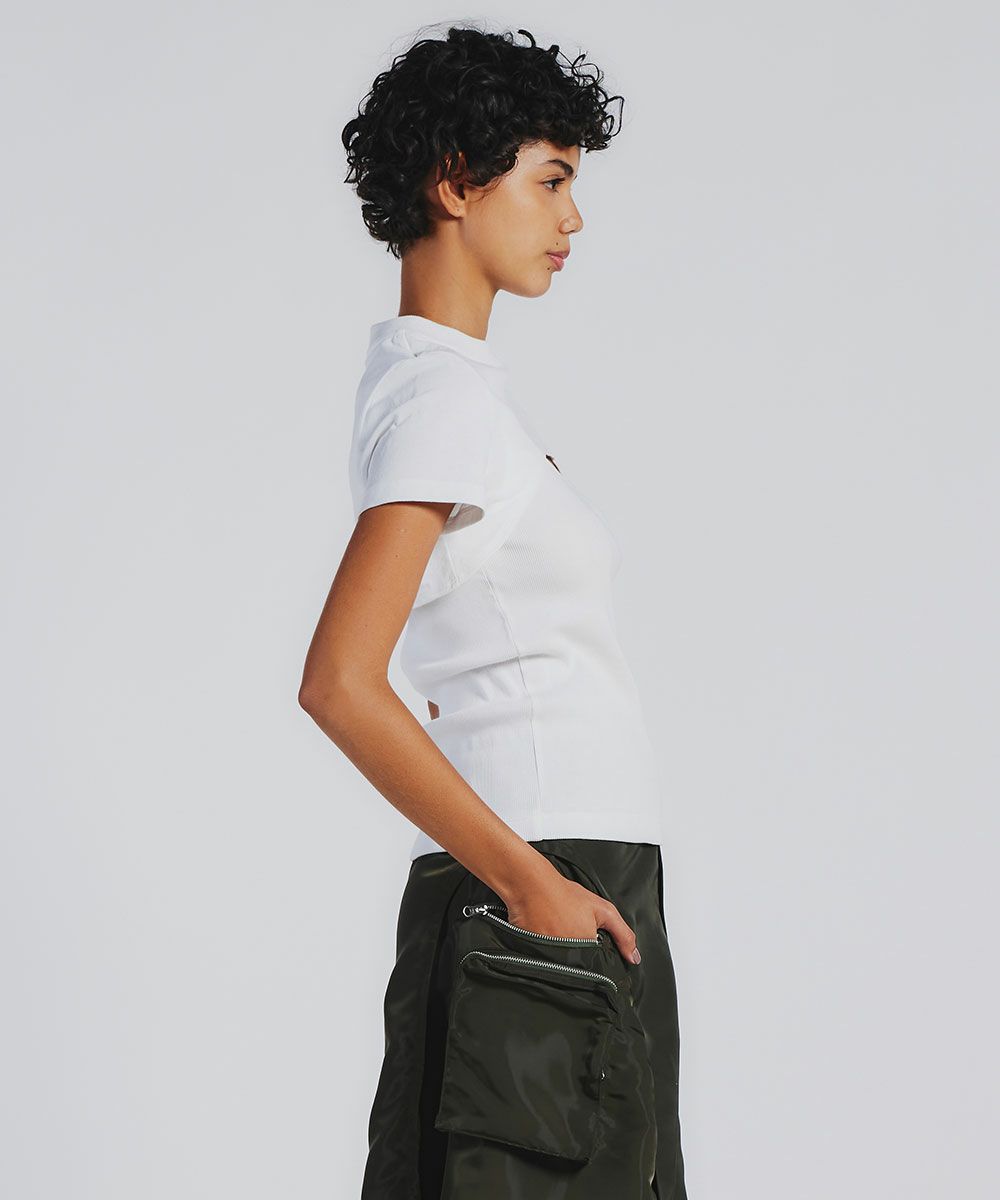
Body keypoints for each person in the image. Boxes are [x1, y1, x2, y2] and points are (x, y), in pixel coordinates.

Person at [299, 24, 688, 1200]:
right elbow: (340, 682)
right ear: (456, 181)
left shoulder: (448, 394)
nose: (574, 218)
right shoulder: (442, 404)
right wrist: (527, 884)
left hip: (559, 869)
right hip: (538, 871)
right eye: (551, 179)